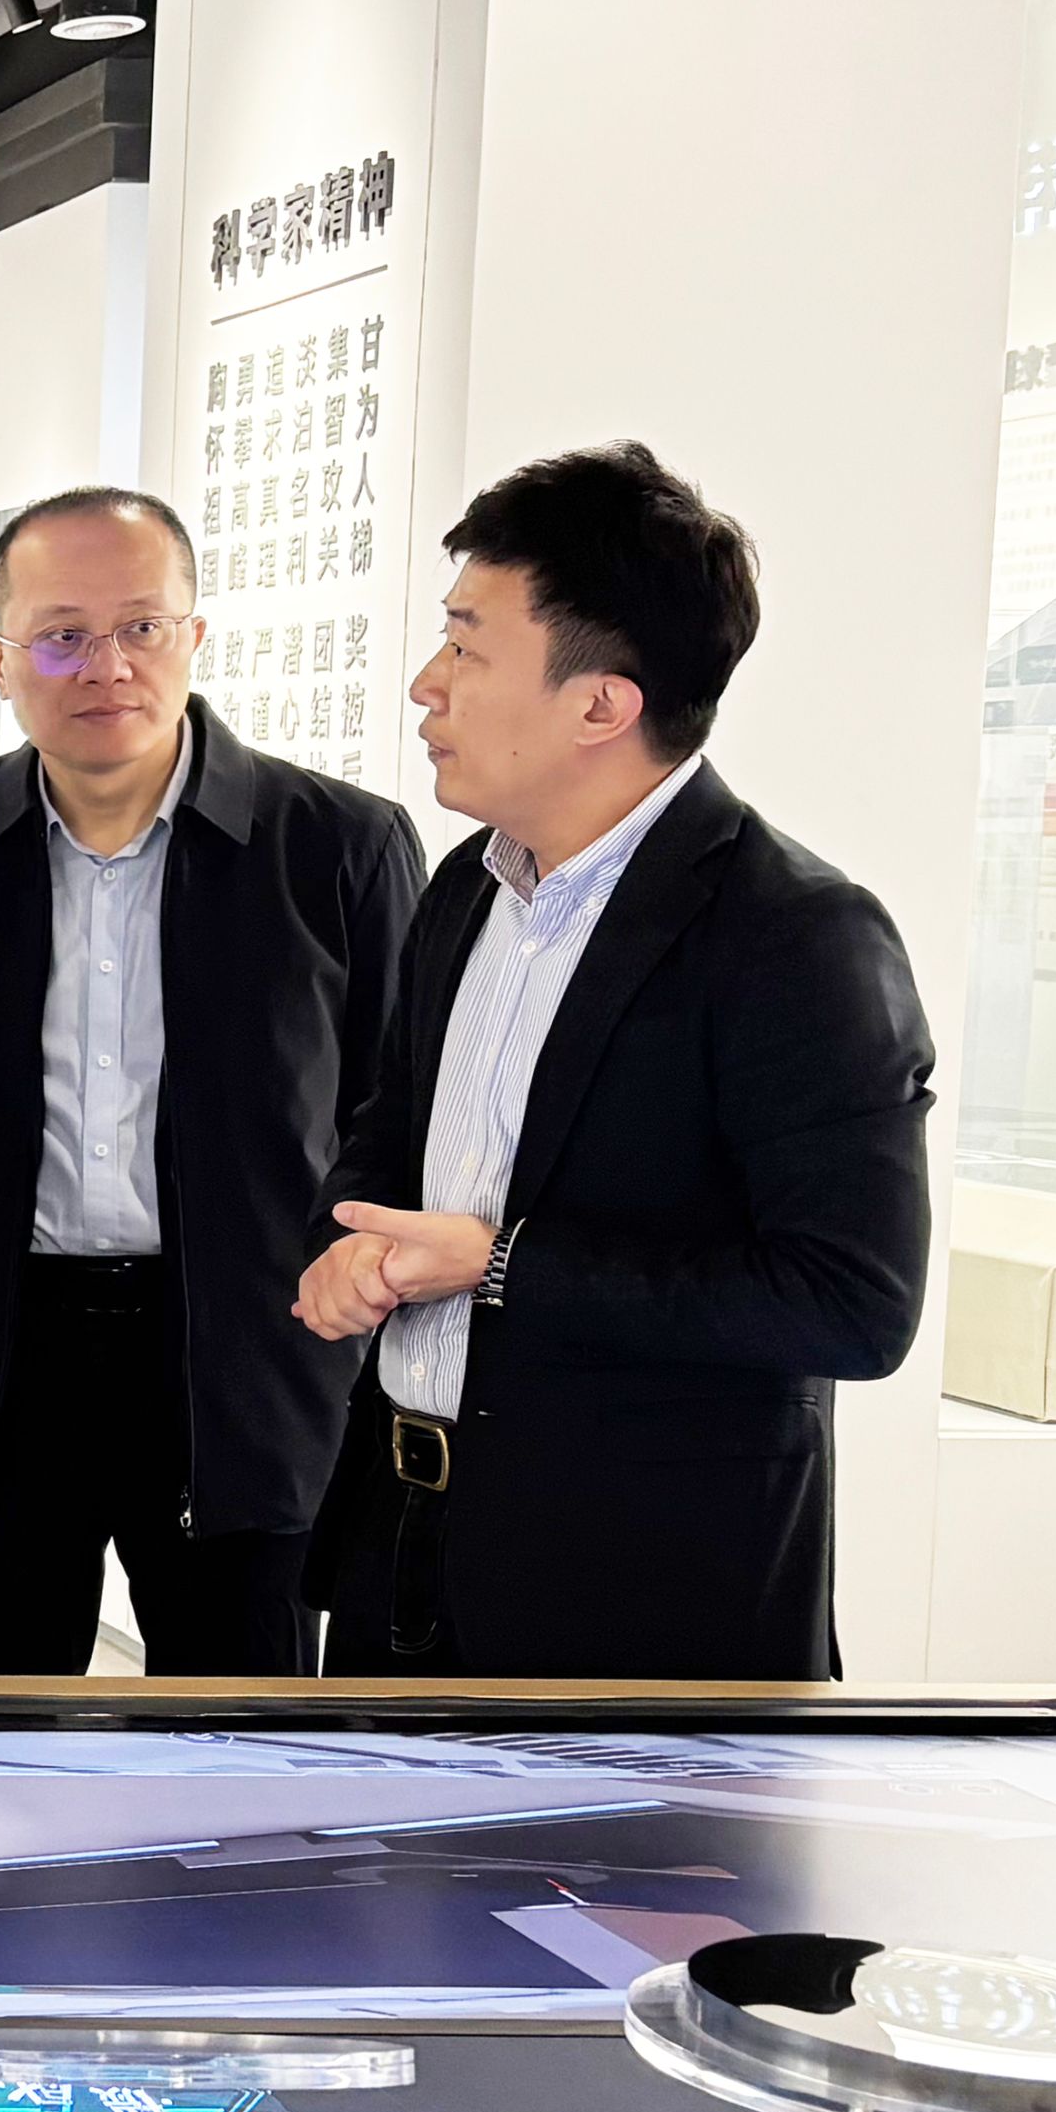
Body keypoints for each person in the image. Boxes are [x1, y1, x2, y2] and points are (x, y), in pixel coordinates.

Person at [292, 443, 930, 1679]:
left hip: (641, 1603)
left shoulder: (794, 935)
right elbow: (392, 1131)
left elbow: (849, 1304)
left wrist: (498, 1266)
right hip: (402, 1552)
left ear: (600, 705)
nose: (425, 684)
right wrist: (353, 1242)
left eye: (466, 648)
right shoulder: (465, 888)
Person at [0, 489, 421, 1677]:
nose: (104, 666)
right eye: (59, 635)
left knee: (240, 1725)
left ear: (194, 637)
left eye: (140, 628)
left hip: (246, 1355)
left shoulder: (336, 847)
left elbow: (396, 1112)